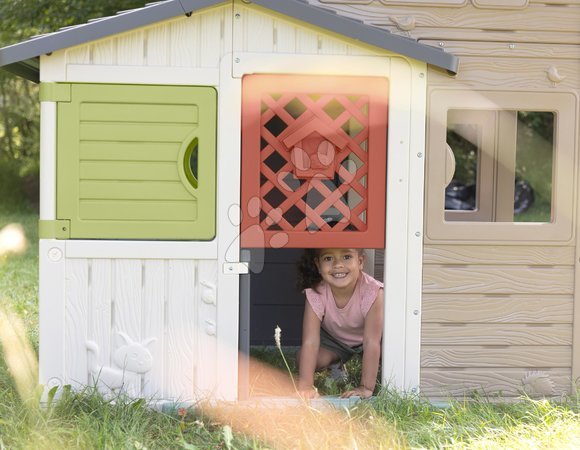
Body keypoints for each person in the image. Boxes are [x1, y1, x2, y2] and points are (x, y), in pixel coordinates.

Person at [296, 248, 384, 399]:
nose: (337, 264)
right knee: (304, 358)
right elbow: (310, 342)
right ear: (318, 265)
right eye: (328, 258)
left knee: (391, 357)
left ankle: (372, 375)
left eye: (346, 257)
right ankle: (335, 365)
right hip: (335, 341)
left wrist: (365, 388)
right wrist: (306, 387)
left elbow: (371, 342)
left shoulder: (373, 291)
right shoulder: (316, 293)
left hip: (370, 339)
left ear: (360, 262)